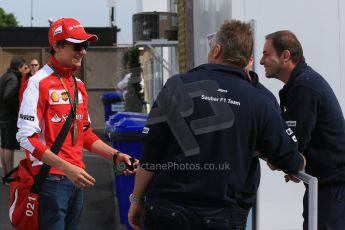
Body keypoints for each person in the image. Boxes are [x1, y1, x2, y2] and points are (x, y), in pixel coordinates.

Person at [128, 19, 305, 230]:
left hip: (167, 212)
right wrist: (297, 161)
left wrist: (137, 201)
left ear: (217, 50)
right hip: (223, 217)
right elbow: (290, 160)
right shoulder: (260, 100)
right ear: (245, 58)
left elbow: (151, 154)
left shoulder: (177, 85)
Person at [16, 17, 135, 229]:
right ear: (56, 46)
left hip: (76, 178)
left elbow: (85, 134)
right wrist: (67, 168)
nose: (83, 51)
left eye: (85, 45)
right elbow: (25, 138)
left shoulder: (78, 85)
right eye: (77, 45)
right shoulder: (37, 83)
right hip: (50, 180)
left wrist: (116, 155)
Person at [260, 30, 345, 230]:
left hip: (333, 187)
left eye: (266, 54)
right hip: (325, 185)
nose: (262, 61)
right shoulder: (300, 84)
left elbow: (293, 142)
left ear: (286, 55)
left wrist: (282, 159)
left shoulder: (305, 86)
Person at [0, 56, 27, 184]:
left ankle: (6, 175)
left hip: (3, 115)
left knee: (4, 145)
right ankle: (10, 176)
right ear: (19, 67)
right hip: (8, 116)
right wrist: (17, 108)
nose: (25, 70)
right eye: (24, 67)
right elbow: (8, 95)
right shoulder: (13, 78)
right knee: (8, 146)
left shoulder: (5, 76)